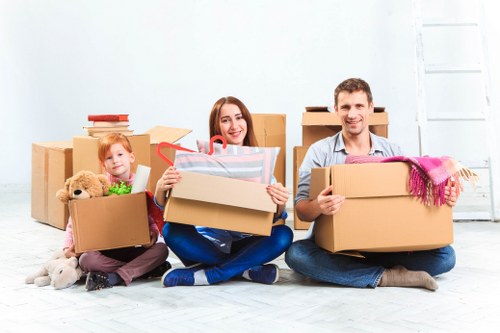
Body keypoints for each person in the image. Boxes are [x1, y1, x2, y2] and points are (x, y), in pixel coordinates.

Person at [285, 78, 458, 291]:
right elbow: (302, 211)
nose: (352, 114)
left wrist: (444, 197)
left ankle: (353, 272)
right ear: (336, 110)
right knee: (296, 255)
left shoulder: (392, 151)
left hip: (387, 244)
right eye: (345, 107)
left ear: (370, 108)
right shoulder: (319, 152)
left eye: (359, 106)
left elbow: (411, 200)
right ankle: (387, 276)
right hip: (337, 248)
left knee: (446, 256)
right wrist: (318, 206)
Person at [155, 96, 294, 287]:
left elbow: (275, 217)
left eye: (239, 117)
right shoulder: (200, 162)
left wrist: (280, 202)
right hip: (206, 244)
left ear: (247, 121)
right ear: (217, 126)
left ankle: (213, 274)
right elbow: (169, 205)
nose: (234, 125)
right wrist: (161, 187)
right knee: (171, 230)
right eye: (226, 120)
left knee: (284, 235)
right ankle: (246, 269)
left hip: (246, 243)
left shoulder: (262, 165)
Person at [63, 133, 170, 291]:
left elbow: (151, 220)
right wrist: (67, 247)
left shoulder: (140, 188)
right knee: (86, 260)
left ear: (131, 157)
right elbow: (75, 220)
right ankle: (142, 269)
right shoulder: (97, 188)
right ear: (103, 164)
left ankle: (115, 277)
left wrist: (152, 235)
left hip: (133, 249)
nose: (115, 160)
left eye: (120, 154)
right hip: (105, 251)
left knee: (162, 250)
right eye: (109, 158)